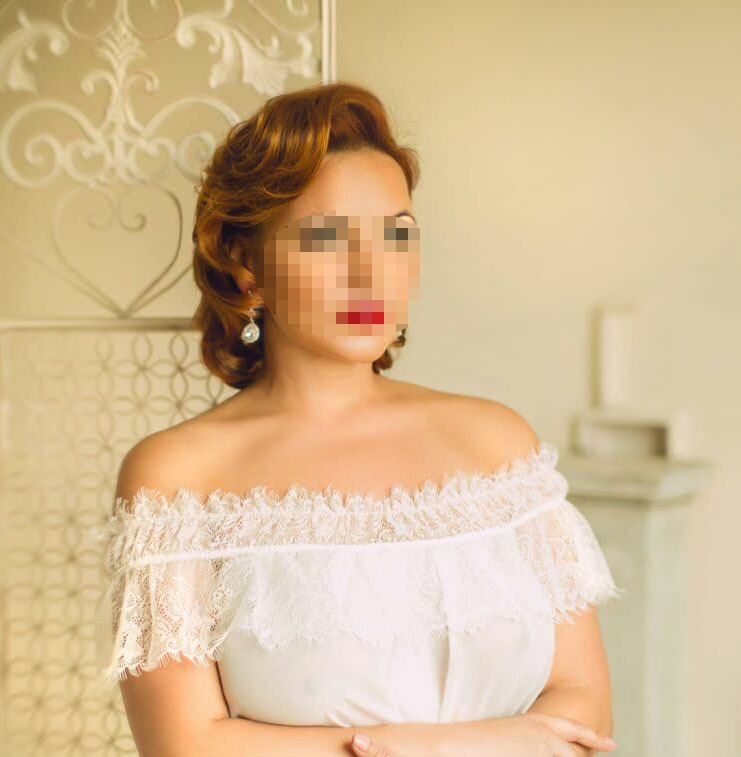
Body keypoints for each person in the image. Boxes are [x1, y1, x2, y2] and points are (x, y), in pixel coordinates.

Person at [94, 81, 623, 757]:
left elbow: (585, 711)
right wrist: (453, 746)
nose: (371, 272)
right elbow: (186, 747)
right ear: (246, 265)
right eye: (326, 237)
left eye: (396, 234)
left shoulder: (497, 445)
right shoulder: (180, 476)